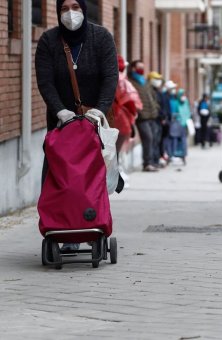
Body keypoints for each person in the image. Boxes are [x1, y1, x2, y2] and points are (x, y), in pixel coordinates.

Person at [35, 0, 118, 252]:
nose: (70, 13)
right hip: (62, 125)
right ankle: (60, 225)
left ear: (83, 8)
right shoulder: (49, 42)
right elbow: (45, 80)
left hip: (93, 122)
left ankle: (89, 222)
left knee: (91, 179)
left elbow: (110, 76)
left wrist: (99, 110)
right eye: (63, 8)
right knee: (59, 176)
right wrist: (59, 110)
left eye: (75, 6)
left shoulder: (101, 37)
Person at [127, 60, 160, 172]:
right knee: (148, 137)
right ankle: (147, 163)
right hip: (141, 117)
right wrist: (137, 111)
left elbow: (153, 96)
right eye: (139, 67)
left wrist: (156, 108)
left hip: (152, 115)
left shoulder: (145, 81)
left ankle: (153, 161)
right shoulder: (130, 82)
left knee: (154, 138)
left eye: (142, 67)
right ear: (133, 68)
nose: (141, 69)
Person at [111, 55, 142, 155]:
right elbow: (129, 99)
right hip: (120, 116)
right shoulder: (121, 79)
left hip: (112, 115)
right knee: (116, 147)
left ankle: (113, 168)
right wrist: (134, 111)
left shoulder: (110, 77)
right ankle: (114, 169)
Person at [148, 71, 169, 165]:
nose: (159, 81)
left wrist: (164, 117)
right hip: (154, 119)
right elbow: (155, 106)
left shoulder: (159, 92)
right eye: (156, 79)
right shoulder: (151, 91)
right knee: (153, 140)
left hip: (159, 119)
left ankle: (156, 159)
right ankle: (152, 160)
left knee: (157, 140)